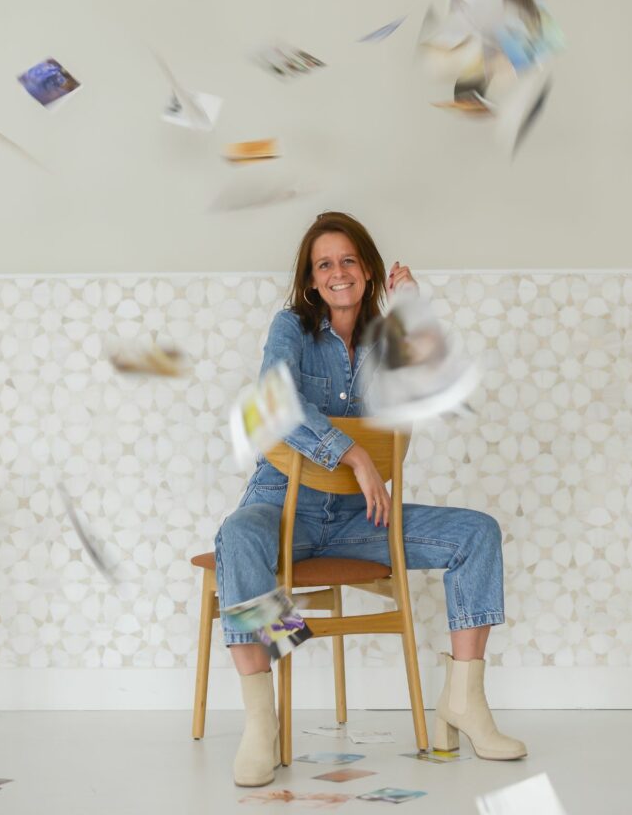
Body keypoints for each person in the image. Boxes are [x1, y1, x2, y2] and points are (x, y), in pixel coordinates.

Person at [215, 212, 526, 787]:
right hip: (284, 506)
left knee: (476, 533)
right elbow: (275, 399)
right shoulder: (291, 327)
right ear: (312, 280)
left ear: (368, 270)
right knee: (237, 539)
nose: (338, 272)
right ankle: (263, 720)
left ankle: (464, 702)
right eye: (324, 265)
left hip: (360, 518)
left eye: (348, 261)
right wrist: (354, 455)